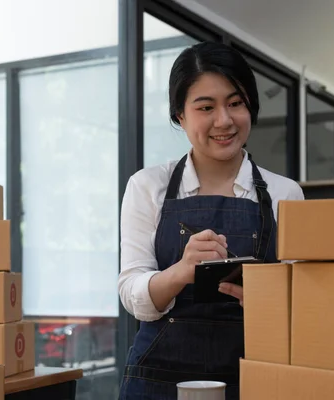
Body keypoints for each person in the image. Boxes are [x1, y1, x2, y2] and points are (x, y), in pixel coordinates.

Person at [118, 41, 304, 400]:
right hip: (158, 383)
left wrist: (271, 303)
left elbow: (304, 304)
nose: (224, 120)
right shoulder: (148, 186)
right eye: (206, 107)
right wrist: (182, 271)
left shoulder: (286, 194)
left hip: (253, 381)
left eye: (235, 103)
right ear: (180, 116)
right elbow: (133, 295)